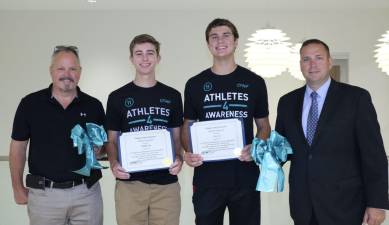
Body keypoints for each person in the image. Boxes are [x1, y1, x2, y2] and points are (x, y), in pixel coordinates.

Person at [275, 38, 389, 225]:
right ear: (300, 64)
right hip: (303, 206)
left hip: (345, 205)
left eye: (318, 58)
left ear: (329, 62)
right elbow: (281, 150)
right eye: (306, 59)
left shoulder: (356, 98)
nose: (312, 64)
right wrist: (258, 151)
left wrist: (376, 203)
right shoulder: (287, 102)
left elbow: (373, 154)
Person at [181, 18, 271, 225]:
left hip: (245, 176)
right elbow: (187, 126)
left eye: (226, 35)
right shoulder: (195, 84)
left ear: (236, 41)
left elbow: (264, 126)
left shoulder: (254, 82)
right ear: (208, 44)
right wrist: (188, 151)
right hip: (207, 178)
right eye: (214, 36)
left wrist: (257, 146)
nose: (220, 41)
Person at [9, 45, 105, 225]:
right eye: (61, 68)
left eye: (72, 69)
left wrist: (99, 149)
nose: (66, 74)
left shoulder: (94, 106)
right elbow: (18, 147)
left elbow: (102, 148)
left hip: (87, 195)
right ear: (51, 71)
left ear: (80, 72)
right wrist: (17, 187)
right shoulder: (30, 104)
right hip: (44, 196)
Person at [105, 34, 183, 225]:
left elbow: (176, 138)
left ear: (158, 58)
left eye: (150, 53)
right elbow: (111, 140)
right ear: (131, 59)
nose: (145, 58)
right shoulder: (117, 97)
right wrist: (114, 163)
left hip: (166, 184)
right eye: (139, 53)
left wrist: (179, 158)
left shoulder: (172, 96)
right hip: (130, 184)